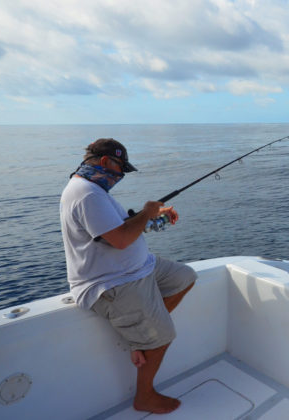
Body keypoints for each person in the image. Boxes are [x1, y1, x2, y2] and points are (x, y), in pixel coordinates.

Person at [59, 138, 196, 414]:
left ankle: (143, 336)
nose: (120, 176)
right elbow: (121, 240)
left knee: (185, 277)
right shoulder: (86, 194)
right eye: (120, 168)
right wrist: (147, 211)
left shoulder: (94, 191)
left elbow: (119, 228)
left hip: (138, 268)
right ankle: (144, 394)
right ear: (106, 162)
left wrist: (154, 217)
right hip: (111, 283)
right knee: (164, 335)